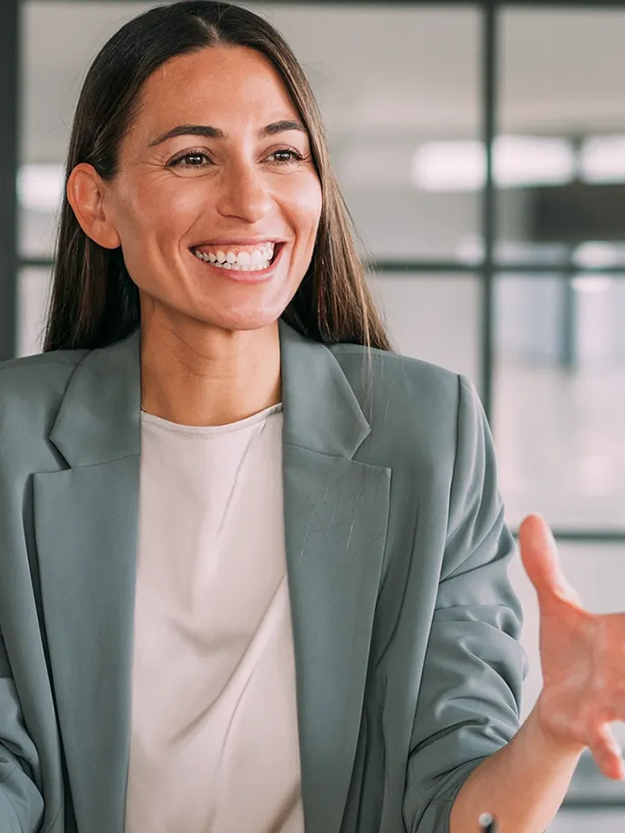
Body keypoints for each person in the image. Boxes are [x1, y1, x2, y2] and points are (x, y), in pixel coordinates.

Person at [1, 2, 624, 832]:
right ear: (97, 205)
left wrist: (547, 733)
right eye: (193, 156)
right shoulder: (10, 439)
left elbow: (453, 807)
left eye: (282, 154)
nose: (250, 200)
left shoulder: (428, 433)